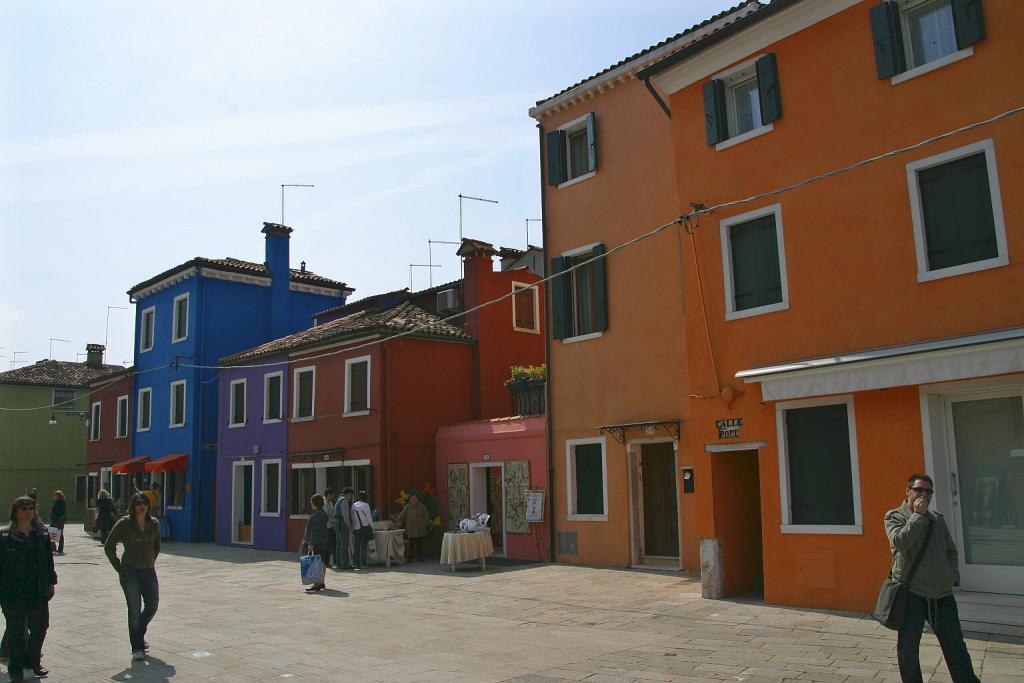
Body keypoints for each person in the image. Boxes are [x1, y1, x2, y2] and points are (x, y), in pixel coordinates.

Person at [884, 474, 980, 683]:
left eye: (928, 491)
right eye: (919, 490)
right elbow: (900, 542)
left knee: (956, 647)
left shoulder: (937, 519)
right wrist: (917, 516)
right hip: (912, 595)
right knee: (908, 650)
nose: (924, 495)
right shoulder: (895, 516)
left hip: (942, 596)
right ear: (908, 491)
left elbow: (951, 551)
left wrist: (950, 574)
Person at [0, 496, 57, 682]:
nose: (27, 511)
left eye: (31, 508)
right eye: (23, 508)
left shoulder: (42, 534)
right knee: (16, 633)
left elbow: (49, 561)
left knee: (40, 628)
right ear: (15, 512)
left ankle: (32, 661)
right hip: (12, 594)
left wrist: (51, 582)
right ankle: (16, 669)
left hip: (37, 592)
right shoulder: (5, 536)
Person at [105, 493, 161, 662]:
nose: (141, 506)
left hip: (148, 570)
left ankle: (139, 631)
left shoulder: (154, 524)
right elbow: (109, 546)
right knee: (134, 610)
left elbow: (157, 546)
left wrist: (150, 560)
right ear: (133, 505)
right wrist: (119, 568)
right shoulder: (124, 524)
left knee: (152, 605)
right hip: (130, 571)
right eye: (138, 503)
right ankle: (137, 647)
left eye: (145, 502)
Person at [301, 494, 330, 592]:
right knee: (322, 562)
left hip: (317, 542)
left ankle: (317, 583)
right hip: (324, 541)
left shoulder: (316, 515)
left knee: (317, 562)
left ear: (315, 503)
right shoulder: (323, 513)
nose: (311, 504)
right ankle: (321, 581)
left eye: (311, 502)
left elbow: (314, 530)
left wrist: (311, 544)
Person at [394, 493, 431, 562]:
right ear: (410, 500)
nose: (414, 500)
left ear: (417, 499)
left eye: (415, 498)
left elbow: (426, 516)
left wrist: (427, 524)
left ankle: (419, 557)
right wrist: (397, 520)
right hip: (411, 528)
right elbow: (402, 515)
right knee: (412, 543)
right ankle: (410, 558)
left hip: (420, 527)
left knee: (419, 543)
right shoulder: (407, 507)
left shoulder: (422, 507)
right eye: (412, 498)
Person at [351, 491, 373, 570]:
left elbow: (352, 517)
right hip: (364, 527)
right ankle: (363, 563)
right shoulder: (366, 505)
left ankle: (355, 563)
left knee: (356, 546)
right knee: (363, 546)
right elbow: (369, 518)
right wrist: (372, 527)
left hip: (356, 528)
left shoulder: (353, 505)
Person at [334, 487, 354, 570]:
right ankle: (344, 563)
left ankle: (338, 562)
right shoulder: (344, 501)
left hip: (336, 522)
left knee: (339, 543)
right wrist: (349, 525)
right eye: (351, 495)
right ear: (348, 493)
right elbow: (345, 515)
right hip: (342, 523)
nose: (351, 497)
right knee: (344, 544)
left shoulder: (338, 499)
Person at [48, 491, 67, 555]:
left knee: (55, 534)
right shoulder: (57, 502)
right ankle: (56, 549)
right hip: (57, 520)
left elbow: (57, 512)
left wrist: (54, 519)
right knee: (55, 534)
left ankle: (56, 549)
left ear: (58, 496)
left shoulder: (60, 503)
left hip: (57, 521)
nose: (54, 496)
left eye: (55, 495)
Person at [322, 487, 336, 567]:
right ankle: (326, 562)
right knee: (326, 545)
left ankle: (332, 561)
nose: (333, 497)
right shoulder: (324, 503)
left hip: (331, 526)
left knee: (332, 544)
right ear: (328, 495)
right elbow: (326, 516)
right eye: (332, 495)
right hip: (325, 527)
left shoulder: (330, 503)